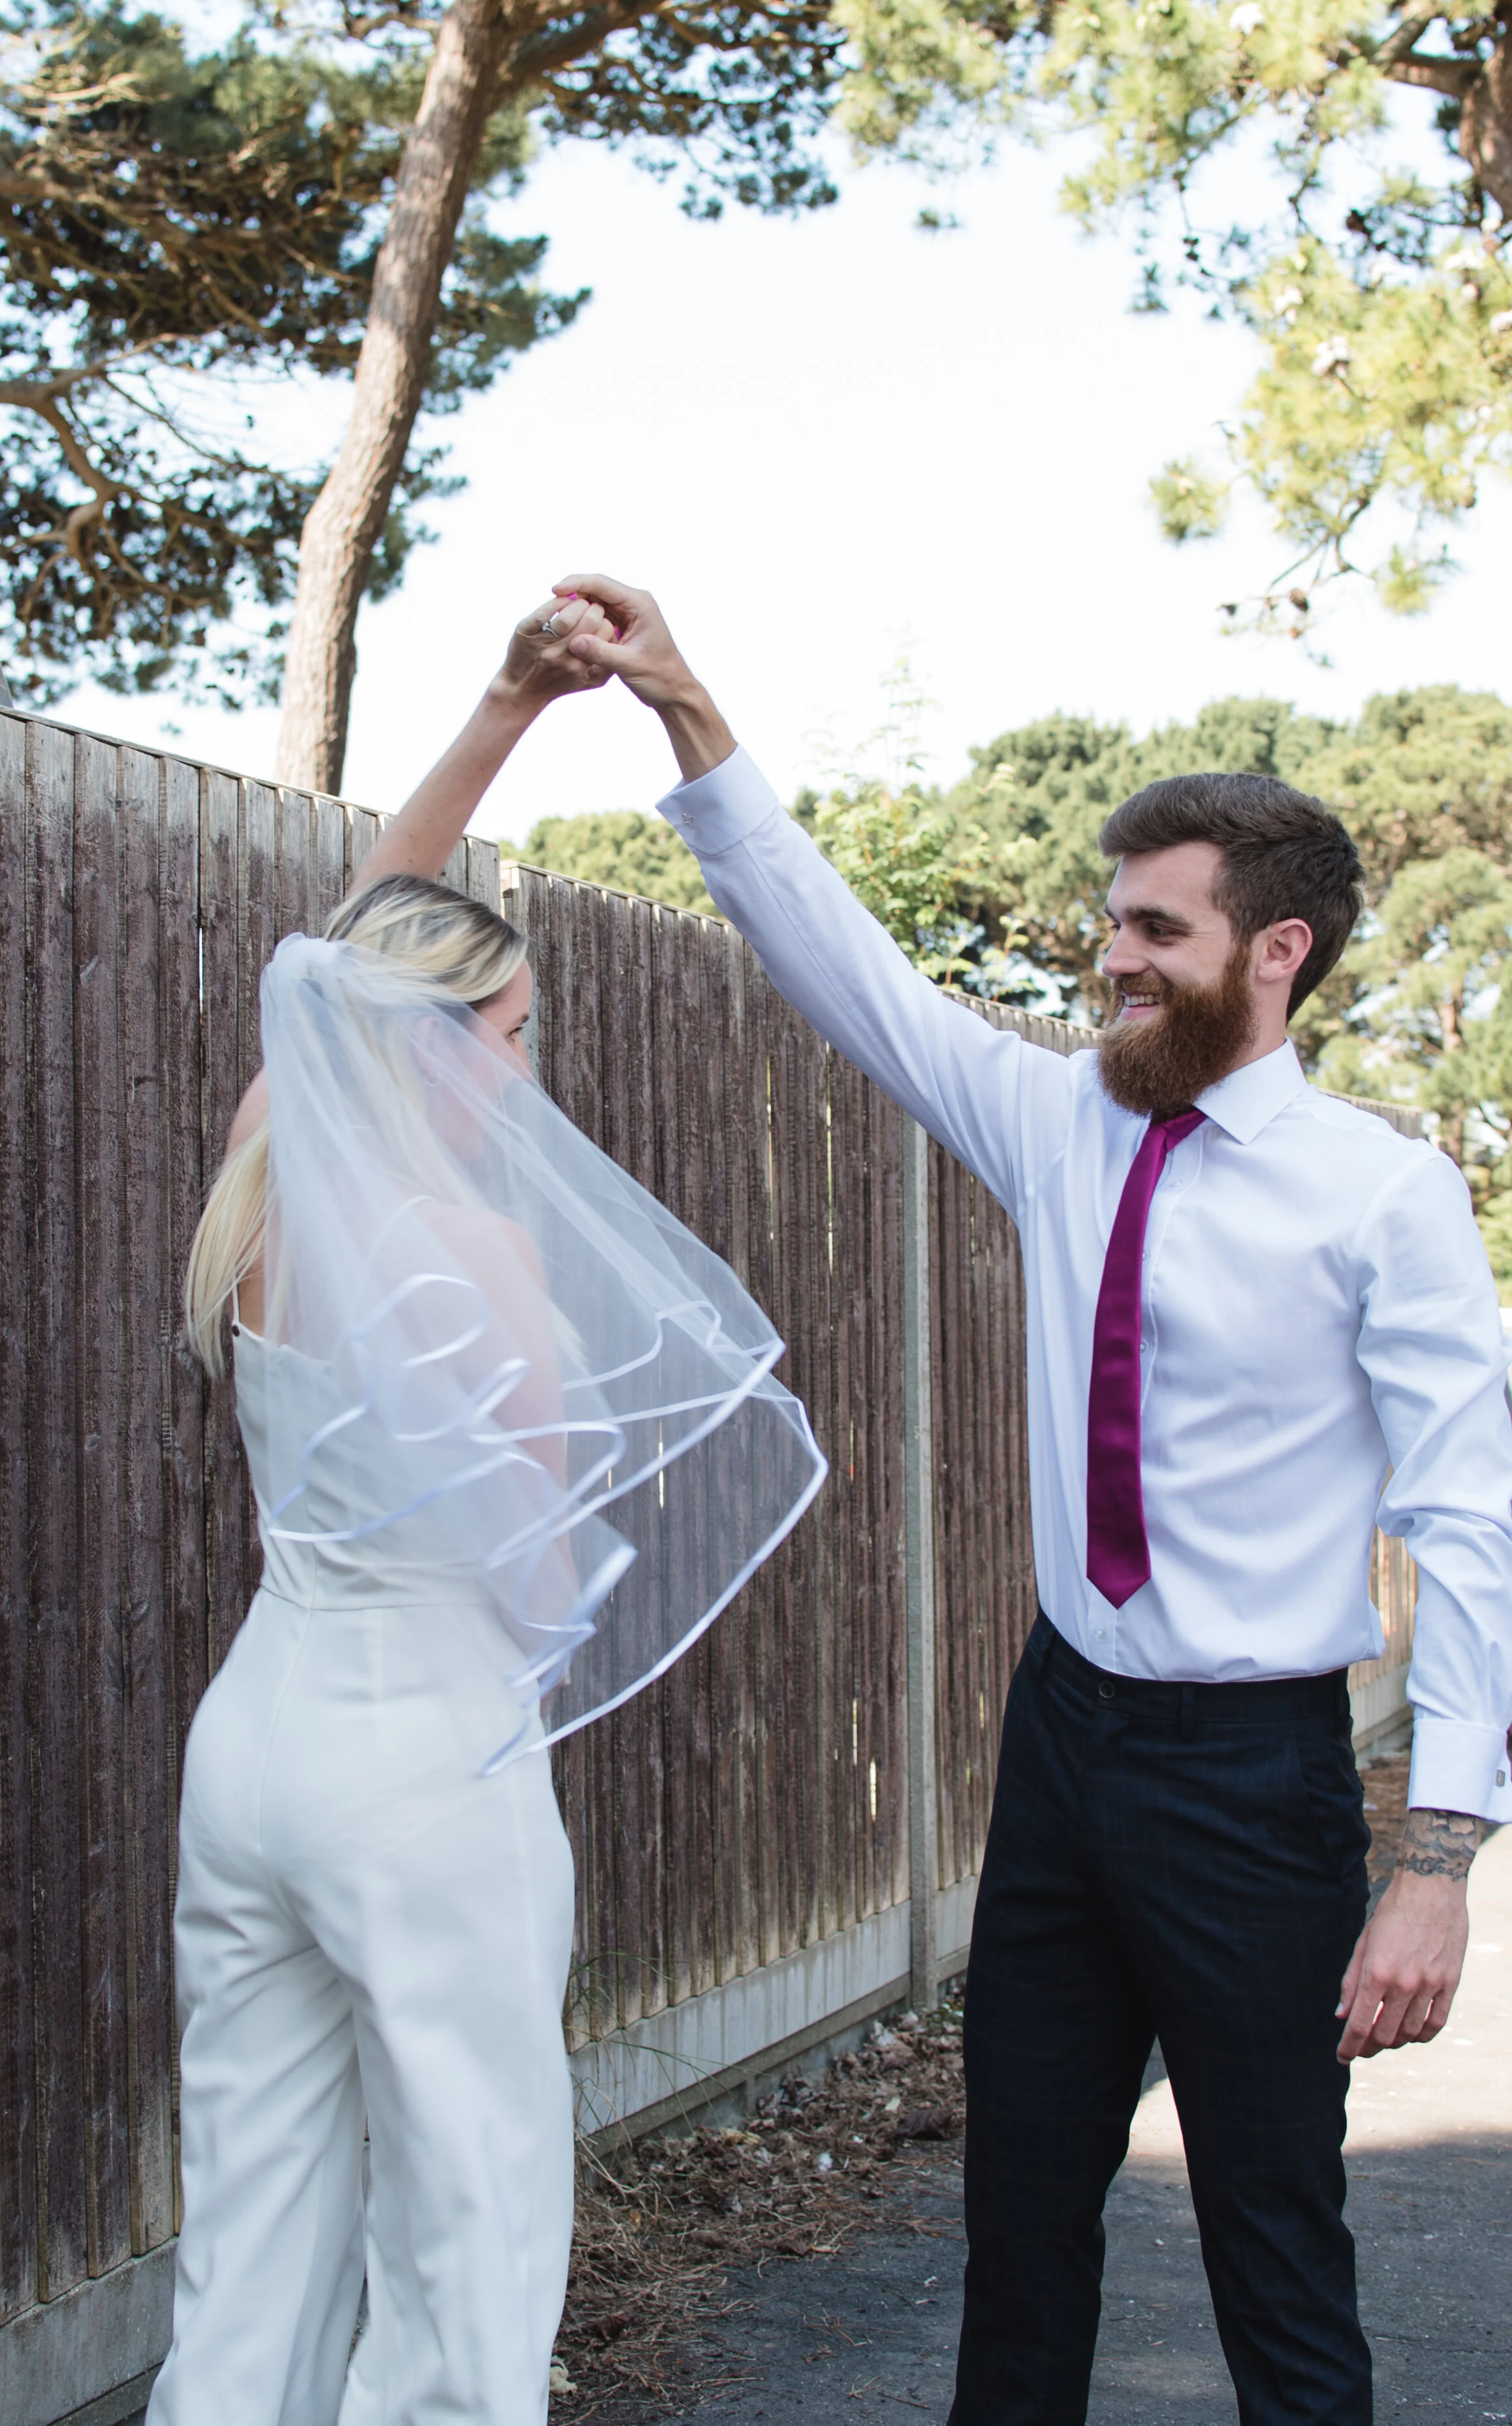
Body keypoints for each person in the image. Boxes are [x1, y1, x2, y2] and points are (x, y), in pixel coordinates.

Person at [502, 573, 1507, 2426]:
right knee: (1019, 2220)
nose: (1106, 959)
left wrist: (1434, 1864)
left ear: (1272, 952)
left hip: (1255, 1777)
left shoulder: (1383, 1198)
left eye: (1151, 928)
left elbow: (1470, 1523)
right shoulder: (1058, 1122)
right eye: (1104, 922)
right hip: (1063, 1744)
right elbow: (841, 966)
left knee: (1272, 2241)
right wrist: (687, 713)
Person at [148, 593, 825, 2426]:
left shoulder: (266, 1181)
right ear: (439, 1045)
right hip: (426, 1778)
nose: (527, 1070)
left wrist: (505, 708)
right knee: (471, 2218)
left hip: (255, 1755)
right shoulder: (478, 1255)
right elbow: (535, 1568)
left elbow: (342, 945)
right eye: (510, 1031)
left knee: (259, 2215)